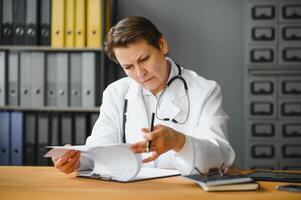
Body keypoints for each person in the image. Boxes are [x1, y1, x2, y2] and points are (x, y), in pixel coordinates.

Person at [52, 16, 235, 175]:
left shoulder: (205, 90)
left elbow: (222, 156)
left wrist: (180, 142)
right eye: (128, 67)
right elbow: (99, 150)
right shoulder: (116, 93)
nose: (140, 74)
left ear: (162, 45)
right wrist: (77, 159)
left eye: (144, 59)